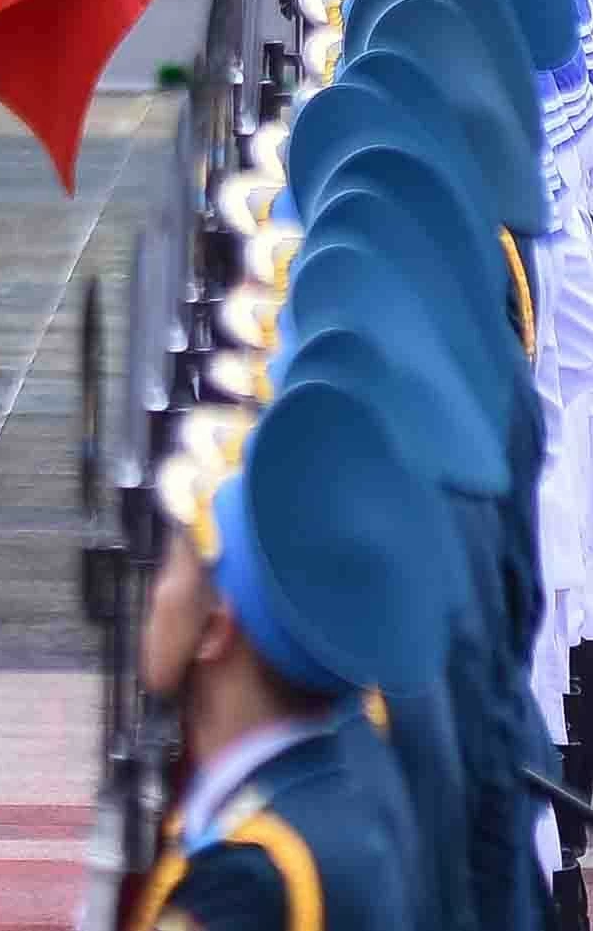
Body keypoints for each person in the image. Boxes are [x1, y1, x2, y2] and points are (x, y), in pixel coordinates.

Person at [133, 375, 436, 927]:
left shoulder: (245, 883)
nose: (152, 596)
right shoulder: (352, 779)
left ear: (213, 631)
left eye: (170, 567)